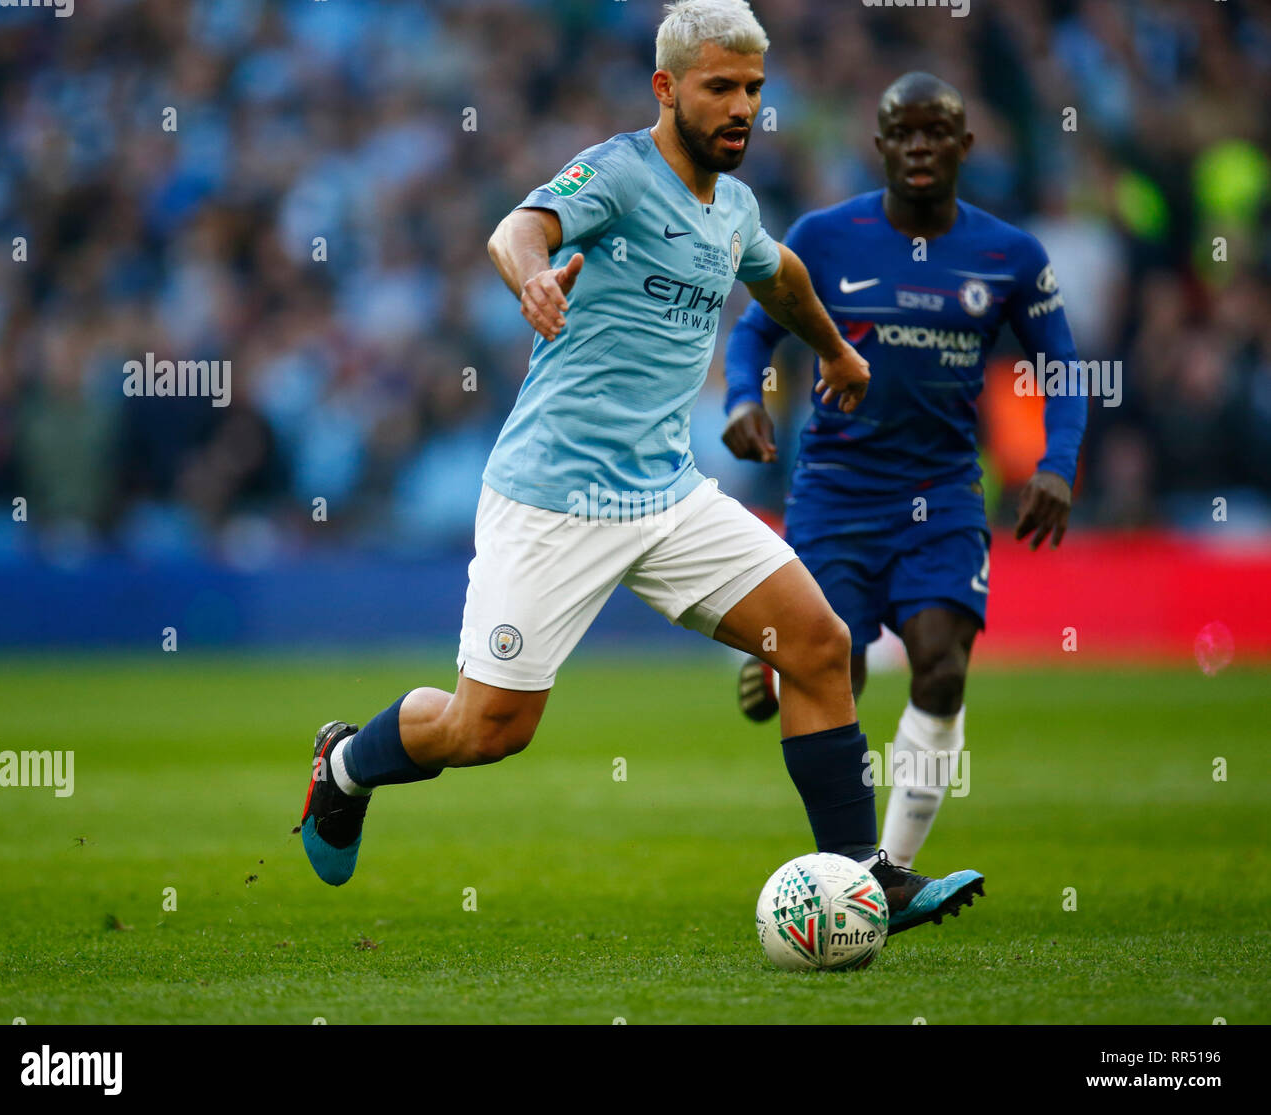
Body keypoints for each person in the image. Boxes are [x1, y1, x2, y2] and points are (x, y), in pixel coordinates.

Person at [296, 4, 983, 939]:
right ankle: (345, 764)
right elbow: (517, 228)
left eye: (753, 90)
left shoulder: (732, 205)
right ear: (666, 89)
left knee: (818, 646)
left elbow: (777, 274)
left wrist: (833, 351)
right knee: (488, 729)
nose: (743, 108)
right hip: (552, 498)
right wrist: (531, 275)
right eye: (720, 89)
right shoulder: (618, 172)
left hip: (665, 493)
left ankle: (867, 875)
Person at [723, 72, 1087, 869]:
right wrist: (743, 400)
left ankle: (883, 871)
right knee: (836, 666)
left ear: (965, 146)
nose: (919, 146)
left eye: (936, 132)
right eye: (903, 133)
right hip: (836, 490)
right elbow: (753, 333)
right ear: (879, 146)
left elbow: (1063, 366)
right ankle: (782, 673)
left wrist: (1057, 464)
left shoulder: (1010, 255)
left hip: (946, 494)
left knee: (942, 664)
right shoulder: (823, 237)